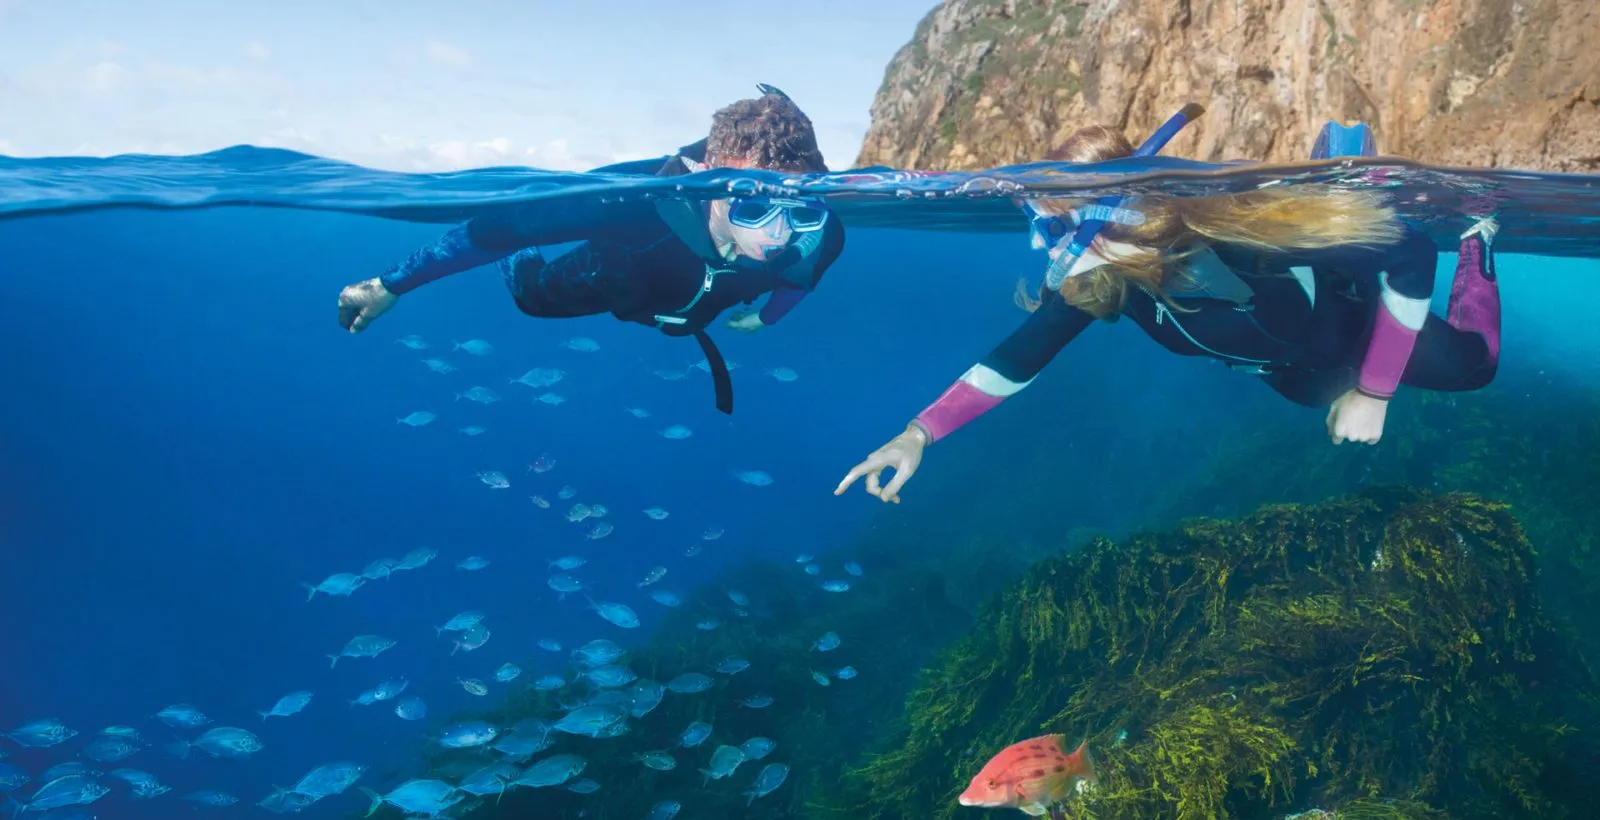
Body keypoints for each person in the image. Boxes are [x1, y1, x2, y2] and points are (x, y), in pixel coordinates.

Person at [836, 118, 1502, 504]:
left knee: (1475, 370)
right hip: (1291, 369)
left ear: (1114, 217)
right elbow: (1020, 356)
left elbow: (1411, 251)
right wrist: (917, 434)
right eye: (1043, 231)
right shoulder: (1109, 277)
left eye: (1058, 230)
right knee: (1309, 394)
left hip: (1358, 324)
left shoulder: (1234, 236)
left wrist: (1373, 391)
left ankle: (1477, 237)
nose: (1053, 254)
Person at [335, 84, 846, 414]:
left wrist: (765, 319)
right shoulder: (624, 203)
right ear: (707, 188)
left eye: (801, 210)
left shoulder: (821, 235)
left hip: (686, 305)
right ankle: (532, 262)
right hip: (615, 264)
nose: (778, 236)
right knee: (532, 298)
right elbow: (490, 231)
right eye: (752, 210)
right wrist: (388, 285)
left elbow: (801, 277)